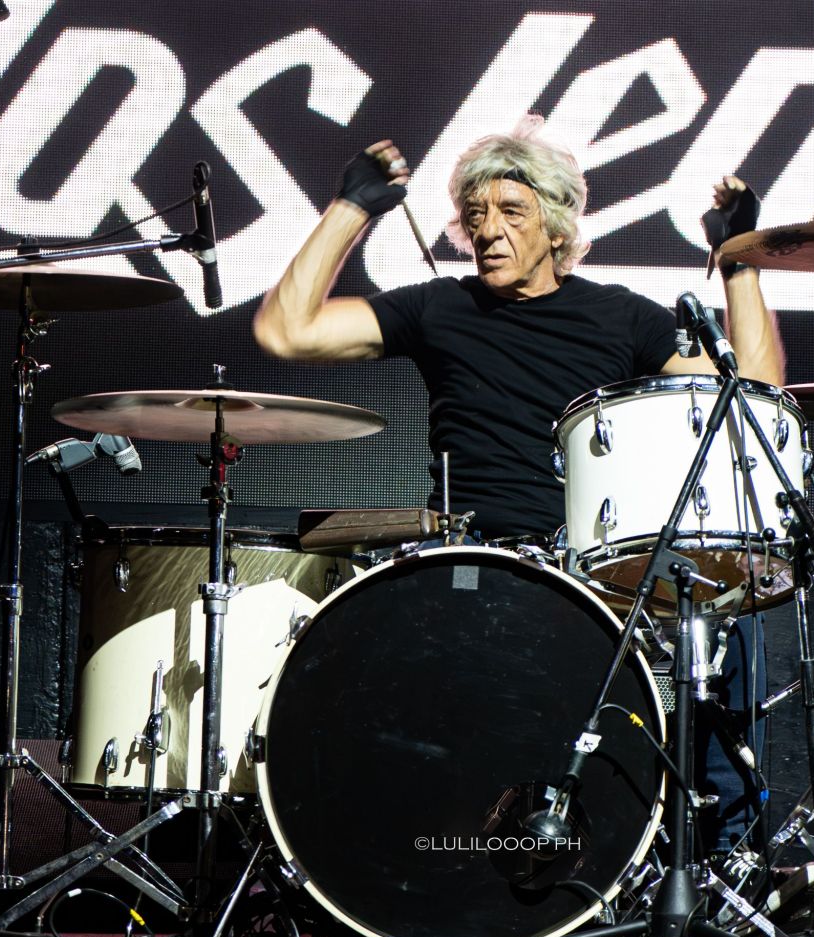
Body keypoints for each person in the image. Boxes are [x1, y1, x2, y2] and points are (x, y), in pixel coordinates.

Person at [253, 116, 785, 855]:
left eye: (511, 211)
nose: (488, 231)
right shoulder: (437, 307)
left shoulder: (620, 315)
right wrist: (352, 208)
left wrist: (738, 256)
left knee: (719, 628)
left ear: (557, 226)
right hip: (463, 564)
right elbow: (286, 331)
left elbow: (755, 387)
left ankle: (684, 860)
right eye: (475, 215)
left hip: (589, 577)